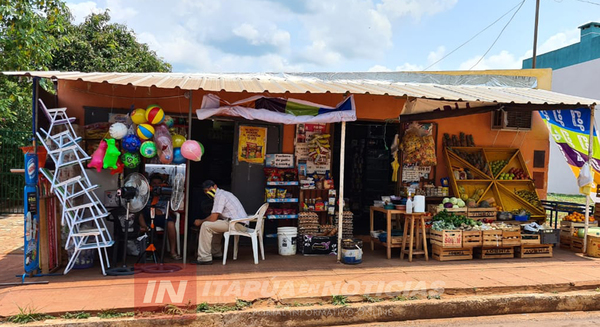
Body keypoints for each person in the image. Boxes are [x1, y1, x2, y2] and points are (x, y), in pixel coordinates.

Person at [193, 180, 248, 265]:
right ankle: (216, 253)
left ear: (215, 186)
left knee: (206, 225)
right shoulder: (224, 193)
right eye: (205, 191)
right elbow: (215, 217)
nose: (207, 192)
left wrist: (200, 221)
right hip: (238, 223)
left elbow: (213, 218)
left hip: (236, 224)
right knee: (216, 224)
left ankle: (204, 258)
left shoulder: (219, 195)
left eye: (209, 189)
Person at [138, 174, 181, 260]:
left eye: (159, 183)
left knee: (171, 224)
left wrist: (161, 211)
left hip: (160, 215)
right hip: (148, 215)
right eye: (154, 183)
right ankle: (145, 229)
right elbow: (141, 206)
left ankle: (173, 251)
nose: (156, 185)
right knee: (140, 213)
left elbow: (167, 207)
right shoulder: (146, 193)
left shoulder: (165, 193)